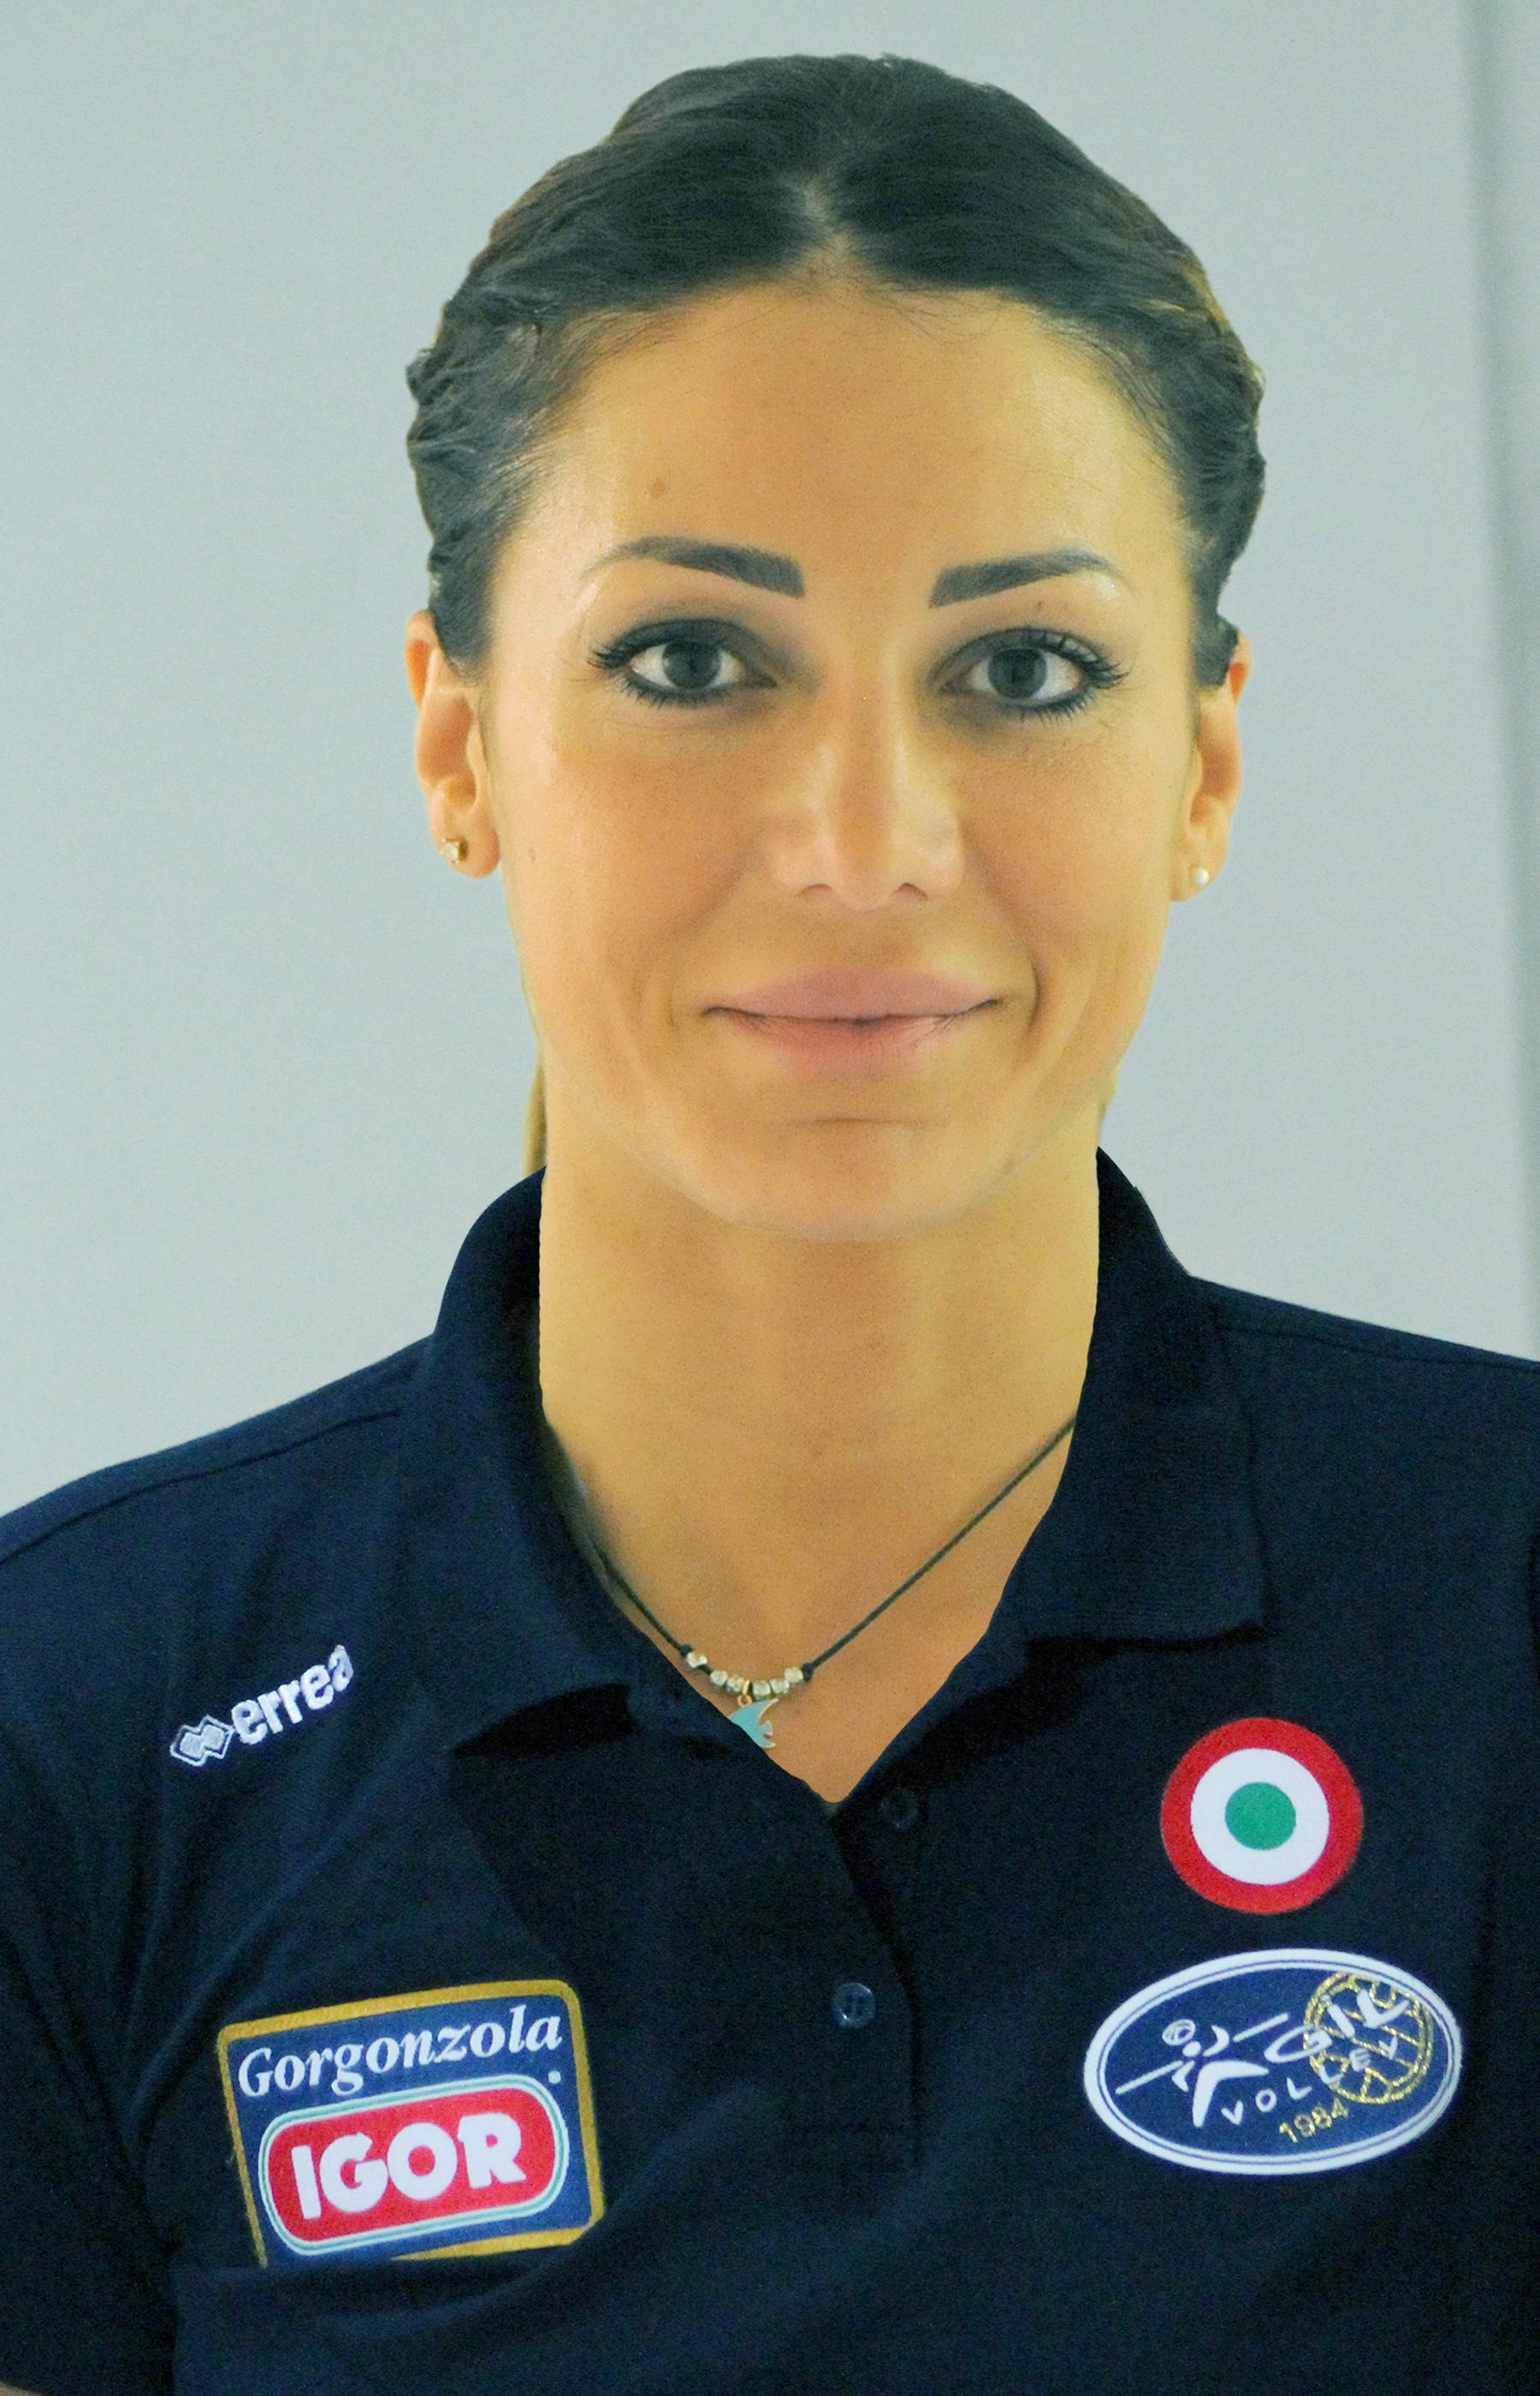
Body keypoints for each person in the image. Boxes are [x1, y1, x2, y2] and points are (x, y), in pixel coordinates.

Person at [1, 48, 1536, 2396]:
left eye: (1022, 671)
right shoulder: (75, 1721)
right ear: (458, 741)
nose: (864, 843)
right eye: (692, 662)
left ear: (1204, 766)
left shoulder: (1500, 1610)